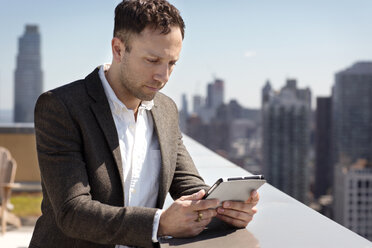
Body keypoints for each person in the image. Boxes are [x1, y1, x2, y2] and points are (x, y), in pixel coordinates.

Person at [29, 0, 260, 247]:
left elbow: (188, 184)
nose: (163, 76)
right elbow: (73, 212)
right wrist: (159, 224)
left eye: (171, 63)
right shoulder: (61, 106)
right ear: (118, 49)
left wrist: (225, 209)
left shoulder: (166, 110)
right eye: (152, 60)